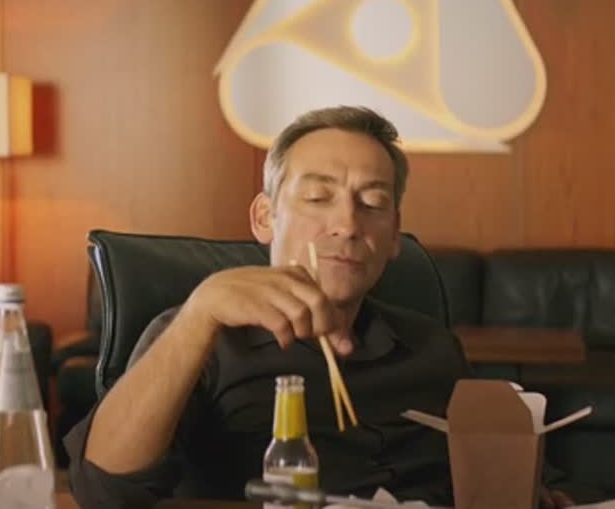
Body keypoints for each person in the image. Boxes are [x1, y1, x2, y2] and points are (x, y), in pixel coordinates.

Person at [65, 106, 576, 508]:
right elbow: (102, 491)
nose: (348, 225)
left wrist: (537, 489)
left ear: (394, 236)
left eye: (372, 204)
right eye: (317, 197)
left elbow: (513, 473)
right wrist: (201, 312)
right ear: (265, 217)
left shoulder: (433, 346)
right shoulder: (198, 337)